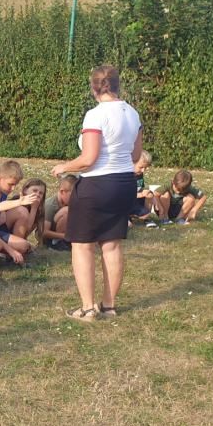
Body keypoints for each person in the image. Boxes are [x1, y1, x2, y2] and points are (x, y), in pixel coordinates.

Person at [52, 64, 143, 322]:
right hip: (124, 183)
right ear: (117, 86)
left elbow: (88, 159)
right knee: (111, 245)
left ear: (94, 88)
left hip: (96, 186)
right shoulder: (133, 114)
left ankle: (87, 308)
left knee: (82, 245)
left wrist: (64, 167)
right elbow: (135, 155)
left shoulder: (95, 115)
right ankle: (109, 306)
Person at [0, 160, 39, 257]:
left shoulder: (2, 191)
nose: (13, 188)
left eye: (15, 185)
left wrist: (2, 211)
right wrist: (11, 250)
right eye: (10, 184)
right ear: (0, 179)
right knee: (23, 246)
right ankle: (13, 253)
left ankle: (17, 250)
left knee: (22, 211)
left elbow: (1, 204)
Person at [43, 174, 74, 250]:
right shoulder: (50, 205)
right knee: (67, 211)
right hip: (48, 238)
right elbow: (44, 232)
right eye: (73, 195)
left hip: (65, 234)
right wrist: (65, 236)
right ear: (62, 192)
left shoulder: (69, 202)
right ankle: (56, 243)